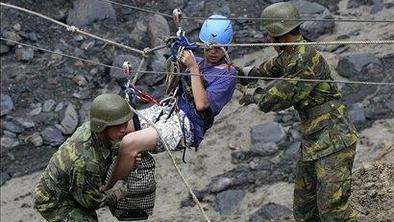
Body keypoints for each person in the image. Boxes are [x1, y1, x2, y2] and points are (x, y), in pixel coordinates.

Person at [238, 2, 358, 222]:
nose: (267, 39)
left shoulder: (303, 59)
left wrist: (252, 96)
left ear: (277, 34)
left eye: (269, 34)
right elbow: (270, 67)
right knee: (304, 210)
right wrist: (243, 73)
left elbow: (274, 99)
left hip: (335, 140)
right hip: (314, 140)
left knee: (334, 212)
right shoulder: (290, 52)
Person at [105, 14, 237, 189]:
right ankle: (104, 170)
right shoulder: (198, 62)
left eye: (218, 48)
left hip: (188, 125)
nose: (212, 52)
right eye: (208, 47)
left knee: (130, 143)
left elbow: (202, 105)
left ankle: (108, 190)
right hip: (169, 110)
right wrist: (178, 50)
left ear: (227, 47)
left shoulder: (228, 74)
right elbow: (175, 63)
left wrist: (192, 67)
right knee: (117, 124)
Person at [33, 93, 140, 222]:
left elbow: (108, 149)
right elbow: (92, 201)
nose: (124, 129)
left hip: (74, 189)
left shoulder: (97, 132)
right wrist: (119, 193)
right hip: (54, 202)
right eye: (117, 125)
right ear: (102, 126)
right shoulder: (87, 161)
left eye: (125, 123)